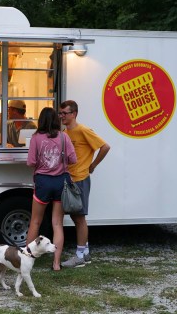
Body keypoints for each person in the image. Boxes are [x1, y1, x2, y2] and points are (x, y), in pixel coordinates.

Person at [59, 100, 110, 268]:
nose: (62, 116)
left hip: (80, 179)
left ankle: (79, 256)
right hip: (70, 178)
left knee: (80, 218)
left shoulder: (83, 130)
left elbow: (105, 147)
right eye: (61, 114)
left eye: (65, 113)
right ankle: (85, 252)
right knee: (75, 216)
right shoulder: (65, 132)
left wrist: (93, 165)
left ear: (74, 114)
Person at [26, 107, 77, 271]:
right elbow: (73, 159)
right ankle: (56, 263)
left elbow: (31, 162)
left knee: (35, 222)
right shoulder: (64, 137)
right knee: (57, 223)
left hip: (43, 182)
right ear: (56, 120)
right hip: (61, 182)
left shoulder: (35, 138)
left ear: (41, 121)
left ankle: (27, 259)